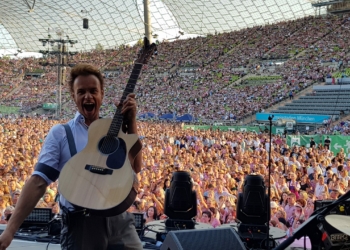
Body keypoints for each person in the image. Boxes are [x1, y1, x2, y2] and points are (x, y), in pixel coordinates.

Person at [0, 64, 143, 250]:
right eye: (81, 91)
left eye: (93, 91)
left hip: (119, 219)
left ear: (102, 94)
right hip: (81, 225)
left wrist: (131, 122)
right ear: (73, 96)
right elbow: (38, 181)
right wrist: (10, 230)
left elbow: (136, 167)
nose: (88, 96)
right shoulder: (61, 133)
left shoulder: (114, 131)